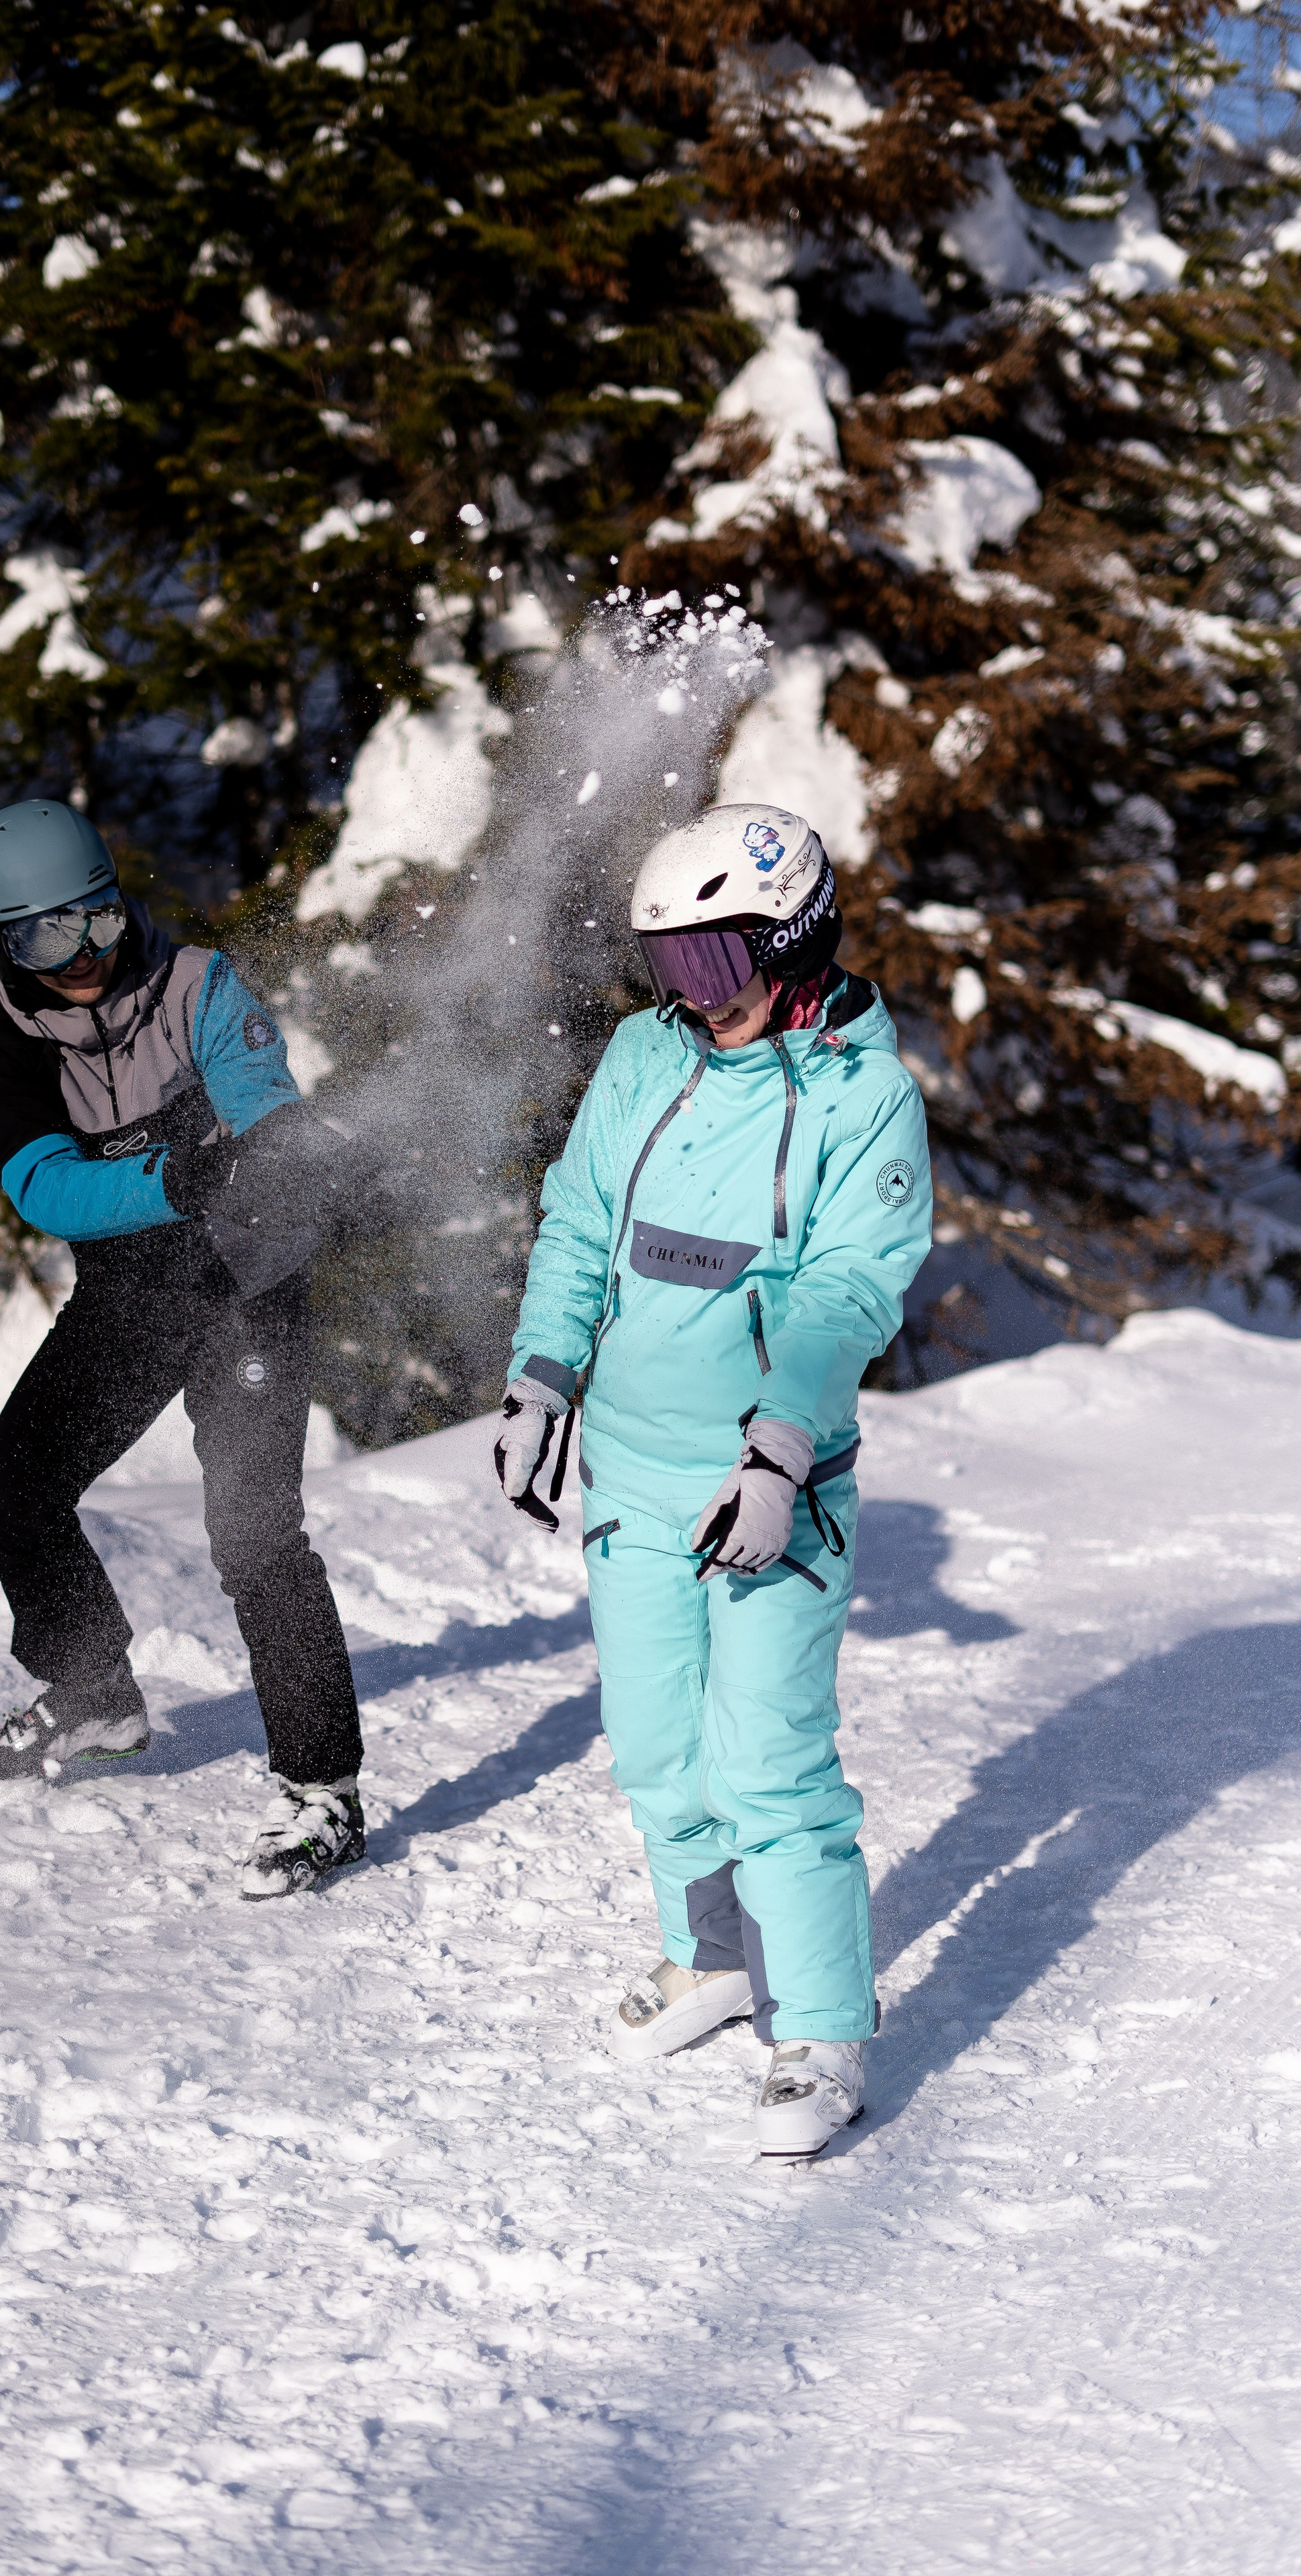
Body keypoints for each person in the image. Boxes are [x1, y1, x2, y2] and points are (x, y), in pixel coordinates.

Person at [495, 802, 931, 2157]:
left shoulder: (866, 1100)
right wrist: (539, 1375)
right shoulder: (644, 1056)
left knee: (767, 1763)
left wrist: (775, 1452)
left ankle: (816, 2028)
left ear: (794, 944)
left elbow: (844, 1294)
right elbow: (578, 1220)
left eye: (716, 967)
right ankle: (713, 1958)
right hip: (629, 1468)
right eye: (667, 970)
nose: (697, 1002)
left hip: (768, 1486)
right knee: (657, 1748)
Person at [0, 797, 365, 1899]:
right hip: (136, 1294)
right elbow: (45, 1183)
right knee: (13, 1494)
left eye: (94, 920)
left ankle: (323, 1789)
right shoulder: (0, 1042)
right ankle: (90, 1685)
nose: (83, 955)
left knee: (254, 1533)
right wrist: (171, 1180)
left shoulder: (198, 986)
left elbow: (262, 1104)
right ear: (5, 943)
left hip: (249, 1287)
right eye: (47, 938)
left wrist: (282, 1152)